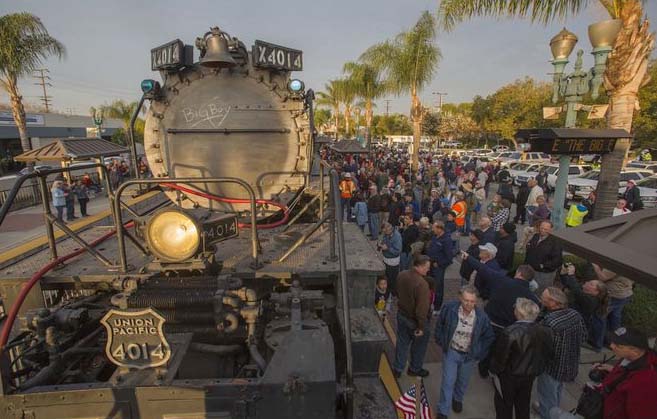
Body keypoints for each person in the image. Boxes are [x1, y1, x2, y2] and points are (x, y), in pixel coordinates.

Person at [434, 285, 495, 419]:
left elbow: (489, 336)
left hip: (469, 356)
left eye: (472, 301)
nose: (469, 304)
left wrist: (479, 353)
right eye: (466, 300)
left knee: (462, 381)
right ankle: (443, 410)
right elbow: (440, 323)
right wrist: (440, 339)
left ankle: (458, 399)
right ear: (460, 298)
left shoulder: (481, 317)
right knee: (448, 381)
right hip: (451, 352)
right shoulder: (450, 308)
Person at [490, 298, 553, 419]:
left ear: (519, 313)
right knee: (523, 405)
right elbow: (547, 353)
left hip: (509, 376)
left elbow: (500, 359)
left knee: (504, 406)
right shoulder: (545, 331)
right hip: (529, 375)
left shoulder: (509, 332)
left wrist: (494, 371)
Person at [535, 287, 587, 419]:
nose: (541, 298)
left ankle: (547, 414)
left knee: (547, 394)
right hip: (570, 363)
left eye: (543, 297)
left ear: (553, 302)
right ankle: (553, 410)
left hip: (552, 367)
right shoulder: (575, 314)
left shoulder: (550, 322)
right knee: (557, 390)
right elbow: (584, 337)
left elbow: (543, 347)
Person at [392, 255, 432, 378]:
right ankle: (414, 368)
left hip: (402, 314)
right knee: (419, 346)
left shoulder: (402, 274)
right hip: (414, 320)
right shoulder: (422, 284)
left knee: (402, 343)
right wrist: (421, 326)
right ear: (419, 266)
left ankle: (398, 368)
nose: (428, 270)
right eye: (426, 267)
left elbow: (397, 292)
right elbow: (422, 309)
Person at [559, 263, 608, 352]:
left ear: (596, 292)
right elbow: (571, 285)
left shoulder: (591, 300)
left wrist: (571, 274)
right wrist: (563, 274)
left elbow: (576, 289)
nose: (588, 282)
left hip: (575, 327)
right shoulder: (585, 293)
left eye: (592, 284)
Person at [592, 264, 633, 338]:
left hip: (614, 294)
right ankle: (614, 337)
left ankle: (597, 342)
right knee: (615, 315)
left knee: (599, 315)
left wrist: (596, 266)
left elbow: (602, 277)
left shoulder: (616, 263)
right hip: (625, 293)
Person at [524, 221, 562, 295]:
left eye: (546, 229)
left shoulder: (555, 242)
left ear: (551, 230)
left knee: (539, 292)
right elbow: (529, 250)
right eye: (542, 228)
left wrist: (543, 266)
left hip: (543, 274)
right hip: (530, 270)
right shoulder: (536, 236)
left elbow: (558, 260)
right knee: (528, 290)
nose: (543, 230)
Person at [426, 221, 454, 312]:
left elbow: (449, 258)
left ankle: (437, 307)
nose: (432, 230)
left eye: (434, 228)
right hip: (430, 265)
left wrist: (439, 263)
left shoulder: (446, 240)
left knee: (438, 287)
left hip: (438, 268)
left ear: (439, 229)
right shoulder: (435, 236)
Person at [379, 222, 402, 295]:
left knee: (392, 280)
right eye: (383, 232)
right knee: (387, 278)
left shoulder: (397, 236)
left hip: (393, 262)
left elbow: (398, 251)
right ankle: (387, 292)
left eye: (385, 231)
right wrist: (380, 244)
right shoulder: (386, 234)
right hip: (386, 260)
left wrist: (387, 248)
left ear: (389, 229)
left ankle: (393, 294)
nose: (384, 233)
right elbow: (384, 241)